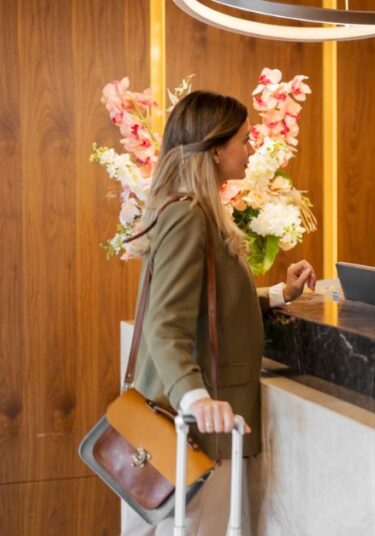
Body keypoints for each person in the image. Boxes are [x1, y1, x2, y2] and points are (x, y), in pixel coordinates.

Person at [122, 91, 316, 534]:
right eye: (245, 140)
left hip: (198, 426)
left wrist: (280, 294)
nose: (252, 149)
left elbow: (211, 307)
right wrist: (196, 398)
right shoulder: (189, 214)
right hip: (192, 429)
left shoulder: (199, 211)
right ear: (214, 150)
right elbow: (165, 322)